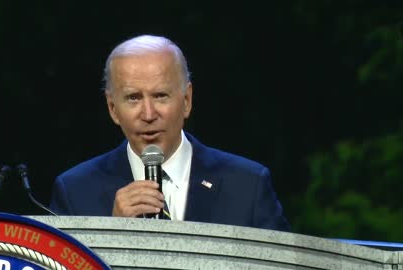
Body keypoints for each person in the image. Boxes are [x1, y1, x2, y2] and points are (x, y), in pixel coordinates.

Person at [50, 34, 290, 231]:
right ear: (113, 108)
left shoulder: (247, 185)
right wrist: (111, 235)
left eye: (160, 96)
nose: (148, 114)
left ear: (186, 100)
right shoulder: (75, 191)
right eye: (133, 98)